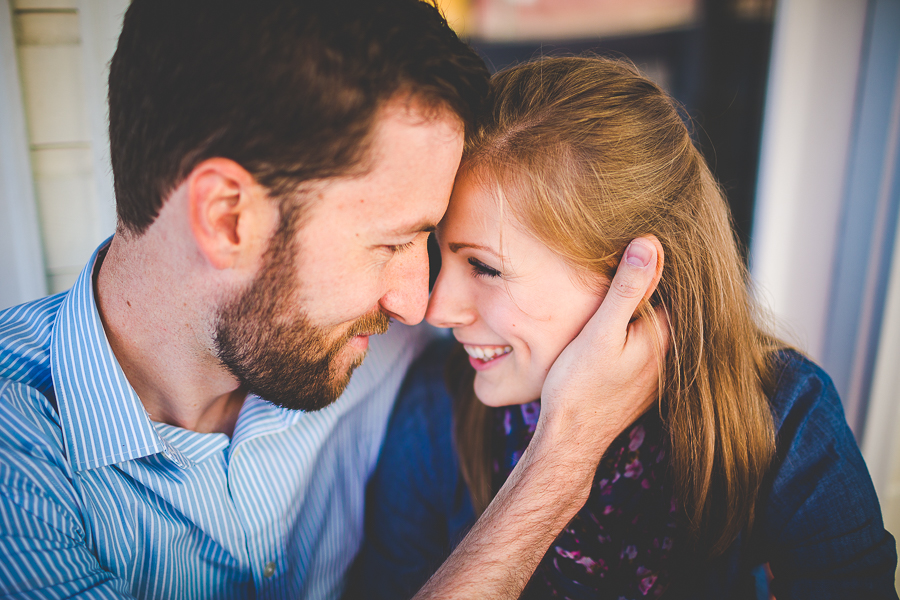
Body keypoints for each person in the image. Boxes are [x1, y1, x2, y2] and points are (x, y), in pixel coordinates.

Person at [0, 2, 667, 599]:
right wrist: (562, 460)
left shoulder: (383, 356)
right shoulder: (17, 463)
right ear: (228, 219)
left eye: (427, 242)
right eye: (391, 244)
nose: (417, 305)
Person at [351, 57, 899, 599]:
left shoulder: (785, 414)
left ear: (637, 279)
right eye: (440, 254)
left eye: (486, 267)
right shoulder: (434, 406)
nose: (436, 309)